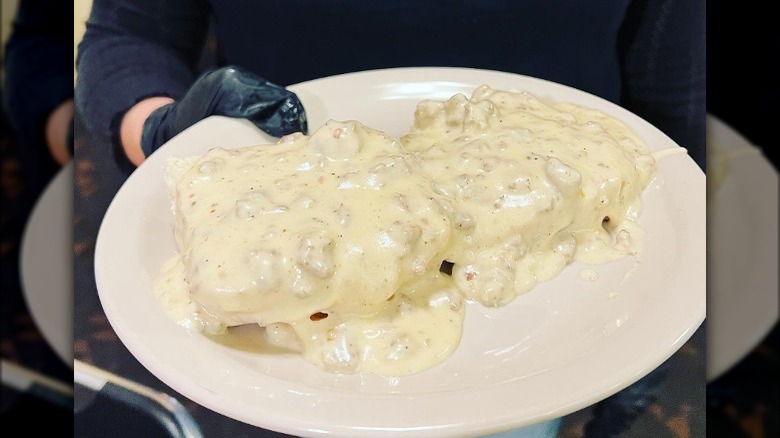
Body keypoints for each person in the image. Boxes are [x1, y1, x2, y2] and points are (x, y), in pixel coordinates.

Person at [74, 1, 705, 437]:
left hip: (553, 292)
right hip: (272, 269)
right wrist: (159, 130)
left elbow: (668, 69)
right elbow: (129, 32)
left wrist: (668, 288)